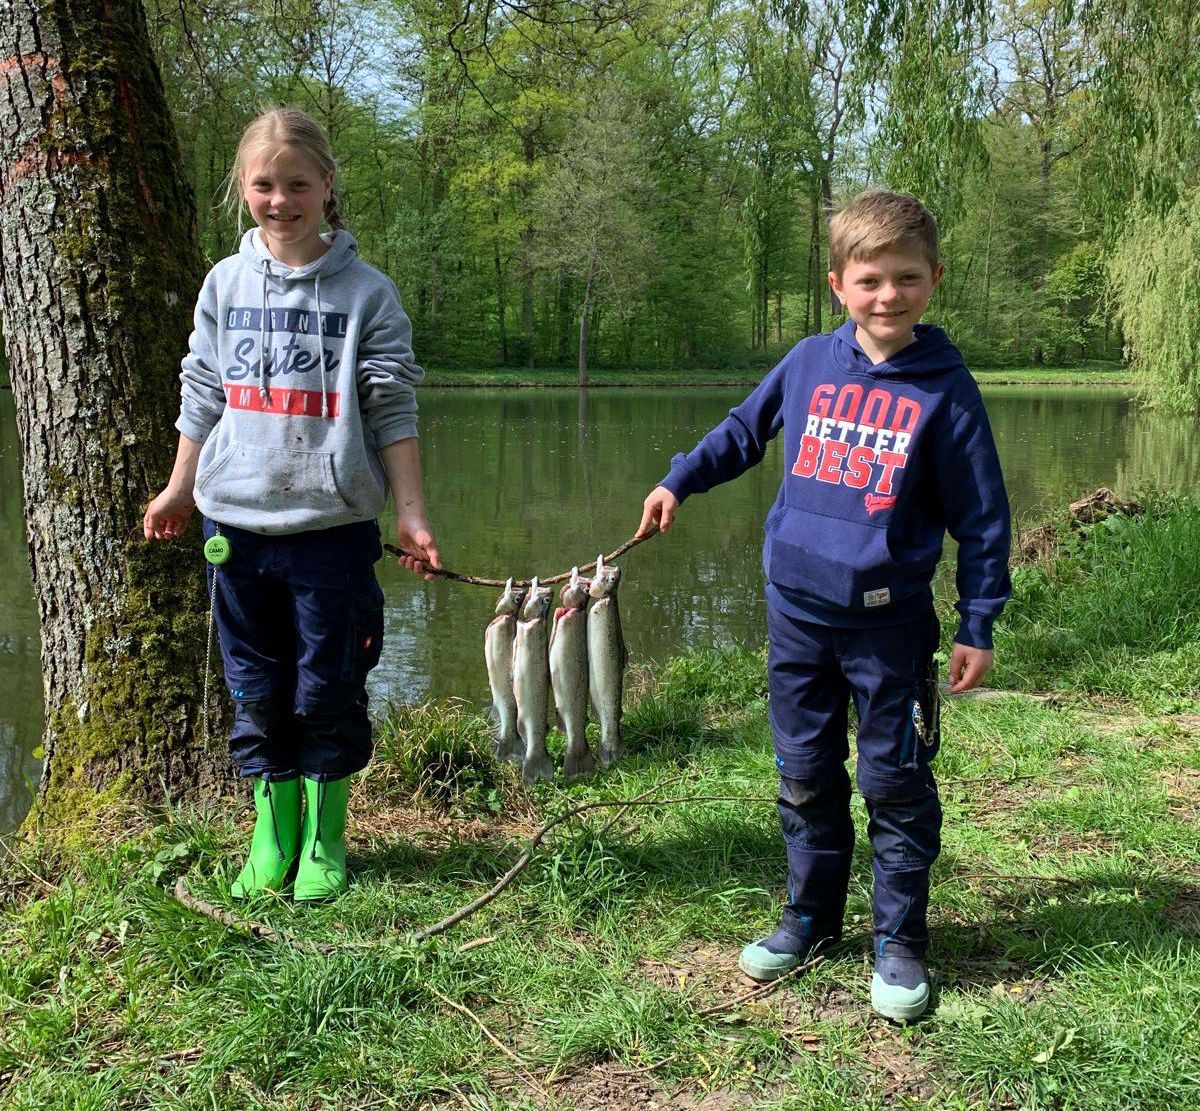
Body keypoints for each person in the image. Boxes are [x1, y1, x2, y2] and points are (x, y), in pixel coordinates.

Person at [637, 190, 1011, 1022]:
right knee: (804, 774)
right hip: (797, 616)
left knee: (895, 781)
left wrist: (977, 621)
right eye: (870, 279)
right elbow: (742, 431)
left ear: (934, 279)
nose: (889, 296)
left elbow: (984, 519)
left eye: (906, 278)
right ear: (839, 282)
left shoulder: (948, 393)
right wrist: (678, 480)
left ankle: (898, 937)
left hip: (888, 624)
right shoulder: (808, 360)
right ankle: (808, 916)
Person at [144, 108, 440, 902]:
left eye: (297, 185)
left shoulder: (368, 294)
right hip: (232, 530)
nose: (281, 201)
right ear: (243, 188)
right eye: (264, 184)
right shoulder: (223, 283)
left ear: (328, 187)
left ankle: (324, 837)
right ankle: (267, 836)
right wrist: (179, 485)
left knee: (329, 690)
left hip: (332, 534)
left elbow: (392, 412)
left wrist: (410, 514)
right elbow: (202, 392)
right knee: (255, 688)